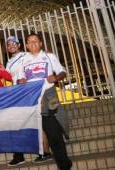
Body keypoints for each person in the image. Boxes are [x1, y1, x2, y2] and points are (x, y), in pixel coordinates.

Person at [17, 33, 72, 170]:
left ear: (41, 43)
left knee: (53, 132)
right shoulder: (23, 60)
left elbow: (62, 72)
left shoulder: (49, 56)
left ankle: (64, 165)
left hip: (48, 96)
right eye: (30, 42)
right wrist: (21, 81)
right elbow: (19, 79)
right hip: (32, 98)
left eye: (36, 41)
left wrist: (56, 77)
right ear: (27, 45)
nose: (33, 43)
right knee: (39, 130)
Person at [6, 36, 52, 166]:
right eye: (8, 44)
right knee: (17, 123)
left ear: (19, 44)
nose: (11, 46)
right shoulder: (8, 63)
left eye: (14, 43)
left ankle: (45, 152)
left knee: (38, 122)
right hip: (17, 95)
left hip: (31, 92)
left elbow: (41, 57)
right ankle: (19, 155)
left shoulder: (27, 55)